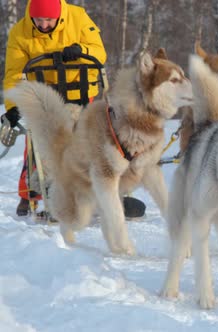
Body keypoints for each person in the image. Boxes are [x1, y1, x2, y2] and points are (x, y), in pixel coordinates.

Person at [2, 0, 145, 218]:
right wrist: (13, 106)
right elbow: (14, 72)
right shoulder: (20, 32)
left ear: (58, 15)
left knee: (89, 140)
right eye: (38, 20)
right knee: (39, 142)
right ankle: (31, 194)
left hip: (78, 91)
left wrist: (81, 50)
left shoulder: (77, 18)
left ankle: (103, 190)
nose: (43, 25)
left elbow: (99, 53)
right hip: (44, 94)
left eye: (48, 20)